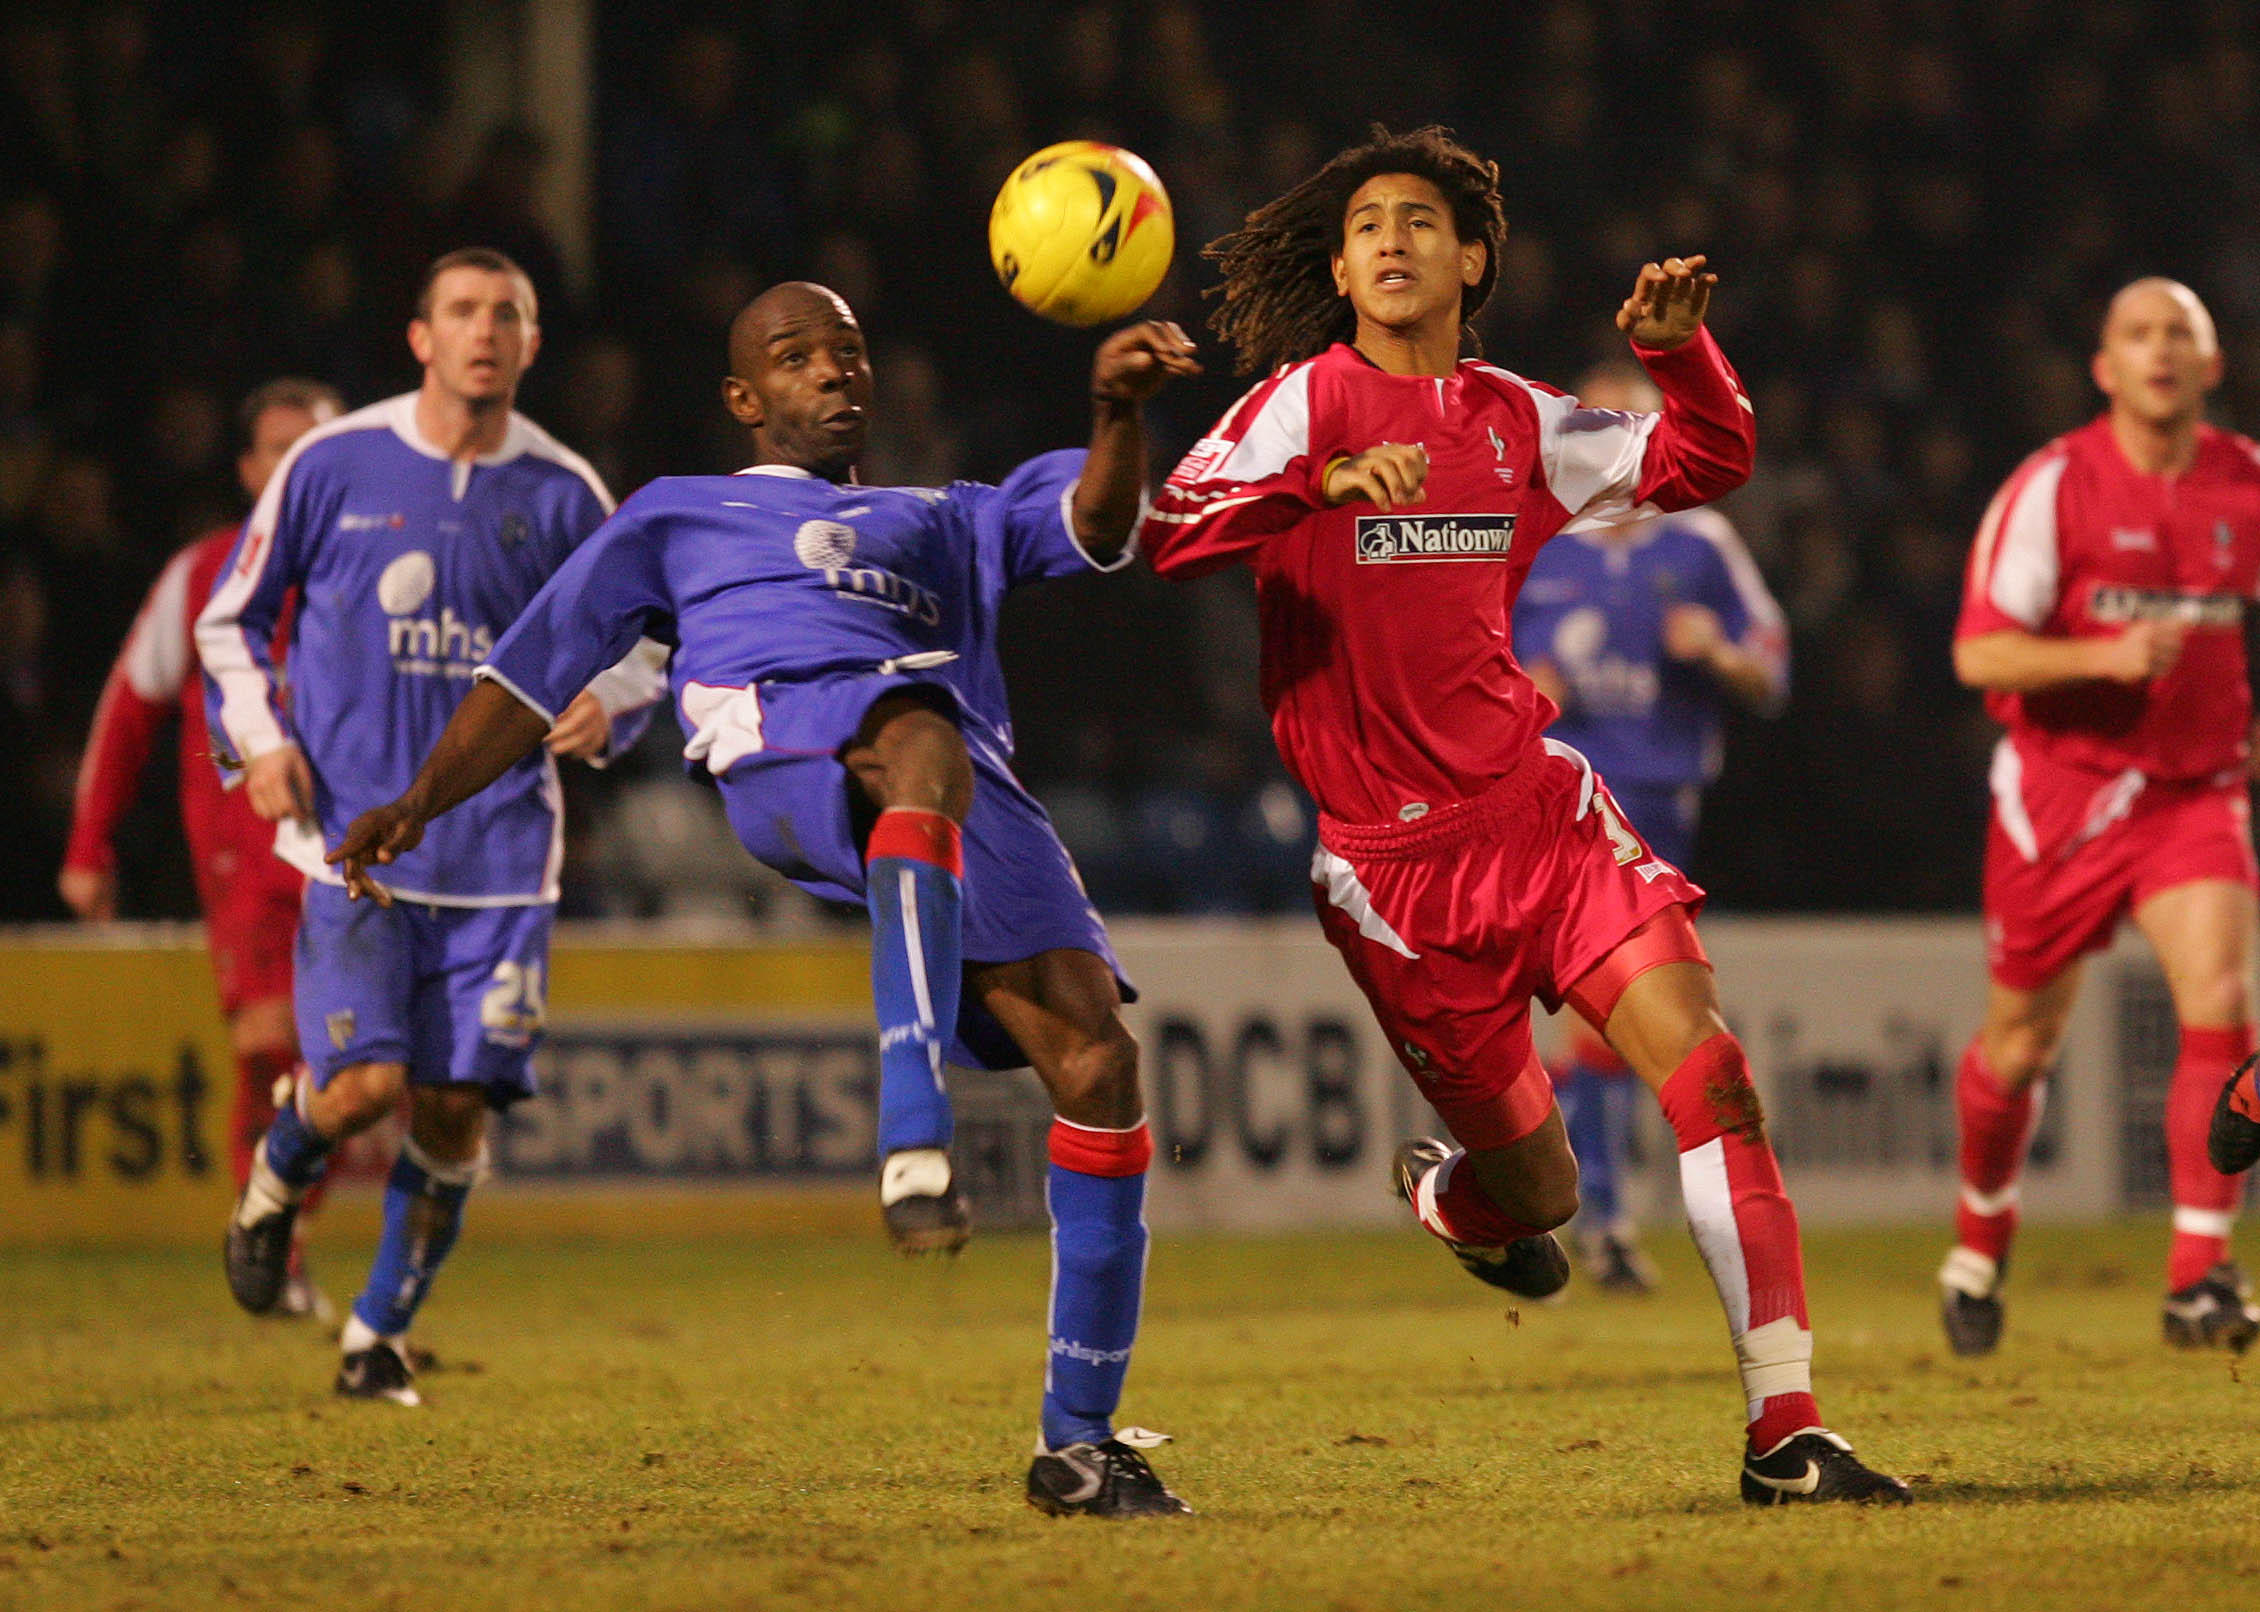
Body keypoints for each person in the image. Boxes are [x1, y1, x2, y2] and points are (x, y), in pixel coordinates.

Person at [328, 281, 1201, 1518]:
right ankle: (911, 1133)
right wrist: (418, 800)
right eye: (797, 358)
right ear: (745, 398)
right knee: (917, 734)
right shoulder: (678, 515)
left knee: (1098, 1063)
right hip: (780, 731)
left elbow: (1098, 520)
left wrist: (1116, 413)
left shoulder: (943, 515)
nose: (833, 373)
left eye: (848, 352)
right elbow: (528, 677)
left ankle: (1078, 1443)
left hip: (958, 785)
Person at [1141, 125, 1905, 1505]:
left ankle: (1783, 1432)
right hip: (1393, 874)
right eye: (1365, 221)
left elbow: (1707, 464)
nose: (1389, 238)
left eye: (1421, 220)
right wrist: (1308, 486)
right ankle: (1454, 1199)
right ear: (1340, 263)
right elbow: (1170, 530)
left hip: (1542, 816)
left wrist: (1680, 356)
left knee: (1713, 1078)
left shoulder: (1515, 420)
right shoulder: (1302, 405)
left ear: (1471, 257)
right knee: (1538, 1193)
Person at [199, 248, 664, 1406]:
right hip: (351, 843)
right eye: (462, 311)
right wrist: (262, 743)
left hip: (504, 857)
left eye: (507, 313)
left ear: (531, 341)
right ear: (421, 337)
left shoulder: (565, 493)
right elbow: (230, 622)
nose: (484, 331)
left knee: (452, 1116)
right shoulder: (332, 461)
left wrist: (613, 699)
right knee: (359, 1088)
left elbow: (653, 637)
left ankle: (377, 1335)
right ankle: (274, 1179)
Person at [1944, 277, 2260, 1357]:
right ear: (2105, 368)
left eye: (2182, 333)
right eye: (2138, 333)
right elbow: (1978, 651)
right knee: (2019, 1047)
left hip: (2192, 792)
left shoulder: (2245, 485)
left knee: (2219, 998)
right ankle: (1981, 1230)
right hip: (2061, 794)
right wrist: (2101, 655)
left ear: (2212, 365)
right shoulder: (2052, 486)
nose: (2161, 349)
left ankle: (2198, 1275)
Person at [61, 376, 343, 1319]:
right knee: (271, 1048)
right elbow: (129, 706)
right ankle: (273, 1242)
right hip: (243, 852)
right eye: (278, 449)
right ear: (248, 466)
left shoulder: (372, 573)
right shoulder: (204, 574)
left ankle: (278, 1223)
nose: (295, 466)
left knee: (348, 1065)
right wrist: (89, 841)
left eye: (315, 448)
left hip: (355, 848)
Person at [1513, 359, 1790, 1294]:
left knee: (1611, 1032)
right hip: (1559, 809)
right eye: (1601, 423)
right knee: (1605, 1025)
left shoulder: (1703, 543)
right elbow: (1472, 681)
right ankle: (1603, 1221)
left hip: (1663, 811)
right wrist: (1524, 698)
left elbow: (1771, 672)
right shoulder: (1539, 544)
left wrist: (1717, 651)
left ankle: (1577, 1208)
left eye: (1638, 420)